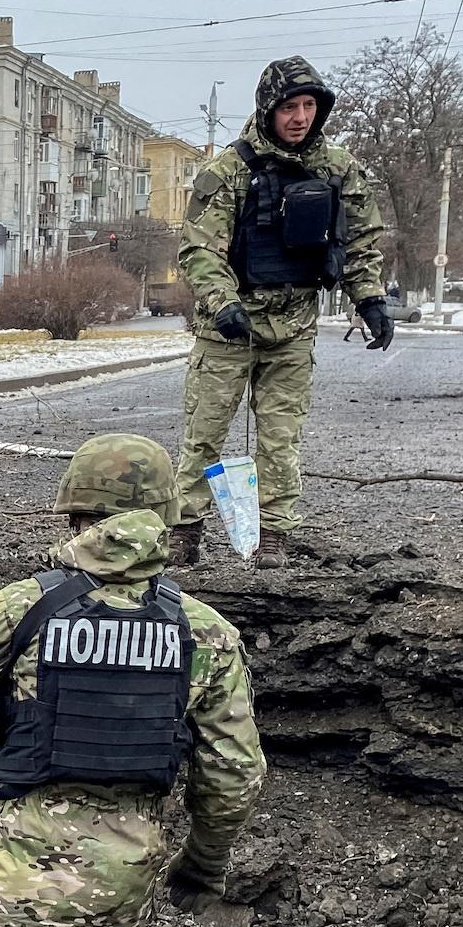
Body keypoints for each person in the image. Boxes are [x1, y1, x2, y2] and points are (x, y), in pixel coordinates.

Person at [0, 433, 266, 927]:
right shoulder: (205, 633)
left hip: (10, 885)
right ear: (166, 521)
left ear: (76, 516)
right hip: (117, 898)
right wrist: (202, 866)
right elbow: (233, 776)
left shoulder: (22, 607)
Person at [171, 56, 388, 565]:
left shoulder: (337, 168)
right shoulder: (228, 170)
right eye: (289, 106)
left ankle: (274, 535)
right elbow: (199, 248)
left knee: (281, 435)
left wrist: (370, 298)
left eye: (310, 105)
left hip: (293, 325)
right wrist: (222, 302)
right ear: (269, 109)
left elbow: (361, 241)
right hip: (229, 327)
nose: (300, 116)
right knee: (204, 433)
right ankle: (185, 529)